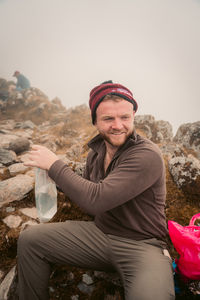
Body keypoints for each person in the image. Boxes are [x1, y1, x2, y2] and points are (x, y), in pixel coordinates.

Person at [17, 80, 175, 300]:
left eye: (125, 117)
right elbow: (88, 188)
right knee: (30, 241)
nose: (118, 125)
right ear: (95, 121)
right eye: (108, 118)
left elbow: (96, 199)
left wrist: (55, 165)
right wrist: (55, 179)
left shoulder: (147, 155)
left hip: (143, 246)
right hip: (99, 235)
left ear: (133, 116)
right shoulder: (96, 152)